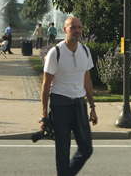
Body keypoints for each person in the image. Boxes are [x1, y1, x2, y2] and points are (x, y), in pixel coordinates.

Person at [40, 17, 97, 176]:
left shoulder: (85, 51)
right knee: (63, 151)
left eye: (79, 27)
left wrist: (92, 107)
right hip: (60, 104)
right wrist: (44, 115)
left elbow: (87, 81)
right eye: (73, 27)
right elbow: (45, 86)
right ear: (65, 29)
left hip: (79, 103)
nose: (77, 30)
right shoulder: (55, 53)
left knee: (86, 148)